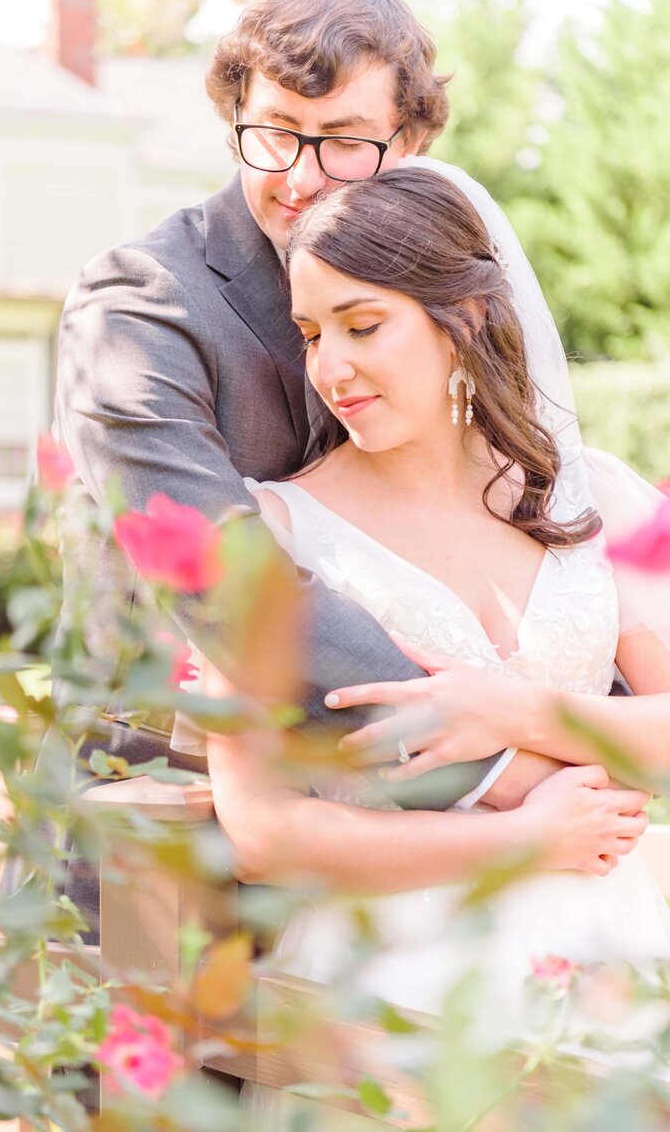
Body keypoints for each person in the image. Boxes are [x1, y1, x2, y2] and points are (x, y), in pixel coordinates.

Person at [55, 0, 560, 838]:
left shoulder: (448, 298)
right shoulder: (138, 305)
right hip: (168, 838)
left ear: (411, 141)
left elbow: (523, 533)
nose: (301, 176)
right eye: (275, 134)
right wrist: (507, 773)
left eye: (343, 142)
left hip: (434, 852)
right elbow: (229, 585)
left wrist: (592, 731)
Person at [201, 164, 670, 1027]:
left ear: (466, 315)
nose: (330, 368)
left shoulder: (597, 493)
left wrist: (517, 713)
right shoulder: (273, 531)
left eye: (363, 325)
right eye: (310, 333)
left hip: (616, 943)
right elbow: (263, 833)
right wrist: (522, 841)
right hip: (394, 976)